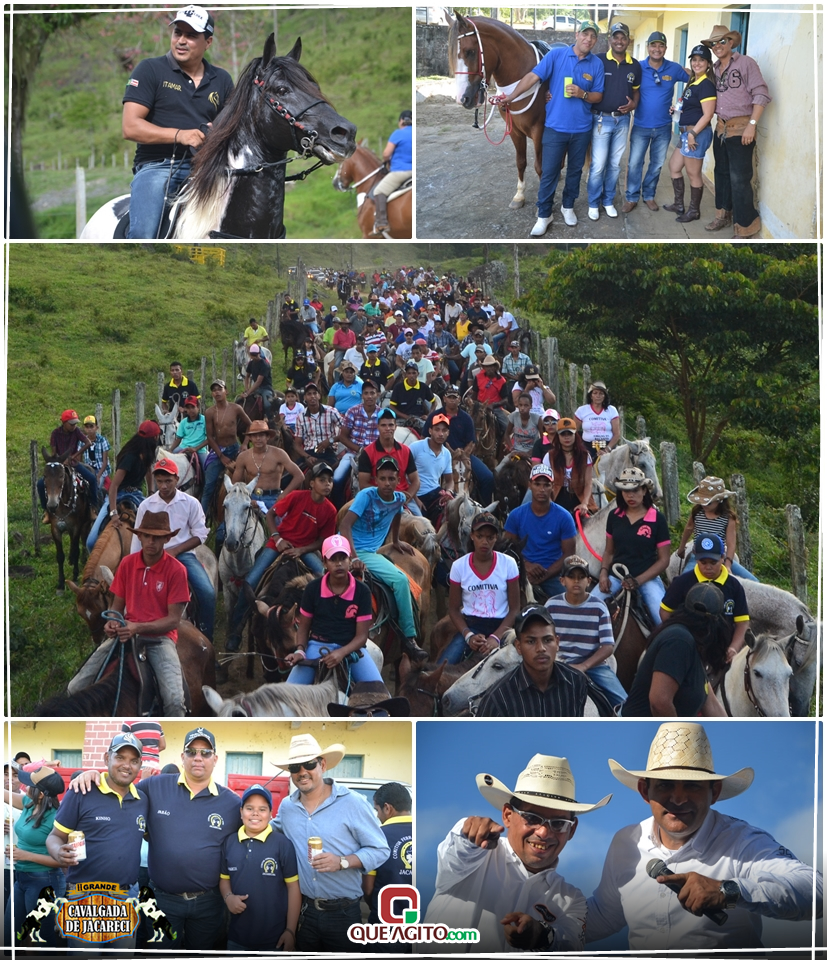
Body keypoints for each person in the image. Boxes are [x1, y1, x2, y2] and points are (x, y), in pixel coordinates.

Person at [587, 721, 822, 949]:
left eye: (692, 785)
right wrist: (562, 915)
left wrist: (729, 891)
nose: (678, 799)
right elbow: (605, 915)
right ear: (644, 791)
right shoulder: (626, 842)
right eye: (665, 785)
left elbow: (817, 890)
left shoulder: (742, 841)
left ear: (714, 792)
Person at [69, 727, 242, 950]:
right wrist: (94, 775)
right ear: (182, 757)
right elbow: (119, 788)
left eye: (205, 752)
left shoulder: (231, 803)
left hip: (208, 902)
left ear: (215, 759)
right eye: (191, 752)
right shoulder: (154, 787)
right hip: (163, 900)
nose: (198, 757)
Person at [423, 752, 609, 952]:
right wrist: (469, 833)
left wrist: (542, 935)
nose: (543, 832)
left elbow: (571, 945)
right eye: (532, 818)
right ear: (507, 815)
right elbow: (456, 853)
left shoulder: (572, 899)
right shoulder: (474, 852)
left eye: (558, 823)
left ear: (572, 830)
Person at [123, 5, 233, 239]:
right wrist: (180, 135)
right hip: (158, 167)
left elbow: (231, 129)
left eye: (191, 35)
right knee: (143, 235)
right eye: (178, 33)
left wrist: (219, 132)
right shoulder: (150, 69)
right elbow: (130, 127)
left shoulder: (222, 79)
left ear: (208, 42)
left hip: (208, 169)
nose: (181, 41)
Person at [271, 735, 389, 952]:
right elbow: (268, 830)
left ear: (322, 765)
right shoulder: (287, 807)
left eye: (309, 764)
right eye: (295, 767)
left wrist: (342, 862)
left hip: (343, 914)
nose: (302, 772)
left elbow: (380, 850)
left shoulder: (352, 803)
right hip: (305, 912)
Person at [69, 510, 190, 715]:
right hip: (125, 635)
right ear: (139, 536)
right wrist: (112, 622)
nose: (151, 542)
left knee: (175, 701)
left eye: (157, 537)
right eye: (147, 536)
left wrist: (137, 627)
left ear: (167, 539)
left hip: (160, 640)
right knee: (74, 688)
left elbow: (173, 621)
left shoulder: (177, 570)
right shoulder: (127, 564)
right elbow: (116, 607)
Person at [501, 20, 604, 235]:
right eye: (585, 34)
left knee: (574, 171)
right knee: (549, 173)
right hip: (555, 128)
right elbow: (533, 77)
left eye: (593, 36)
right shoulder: (556, 56)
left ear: (595, 40)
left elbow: (598, 96)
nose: (588, 39)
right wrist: (511, 96)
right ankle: (544, 214)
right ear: (577, 35)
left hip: (581, 129)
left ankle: (568, 207)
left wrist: (582, 94)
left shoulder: (596, 64)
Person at [226, 462, 336, 650]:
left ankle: (328, 626)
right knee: (250, 582)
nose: (327, 484)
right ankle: (236, 631)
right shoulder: (296, 496)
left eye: (330, 481)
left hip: (304, 549)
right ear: (311, 483)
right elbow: (271, 514)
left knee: (328, 582)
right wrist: (278, 539)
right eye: (322, 480)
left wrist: (302, 550)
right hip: (279, 544)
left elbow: (323, 540)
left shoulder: (330, 510)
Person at [339, 457, 428, 661]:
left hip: (371, 552)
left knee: (401, 580)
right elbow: (345, 526)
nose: (387, 483)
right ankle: (410, 637)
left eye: (391, 478)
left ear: (398, 481)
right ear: (376, 480)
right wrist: (354, 558)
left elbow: (397, 514)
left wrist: (395, 540)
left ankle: (408, 637)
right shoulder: (366, 496)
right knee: (400, 580)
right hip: (351, 549)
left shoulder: (399, 499)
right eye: (383, 478)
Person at [130, 456, 215, 641]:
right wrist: (135, 563)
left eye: (168, 481)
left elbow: (200, 534)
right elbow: (138, 539)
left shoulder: (190, 503)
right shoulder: (146, 505)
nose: (163, 486)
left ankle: (206, 638)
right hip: (151, 555)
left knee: (207, 592)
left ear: (177, 479)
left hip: (183, 555)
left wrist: (175, 551)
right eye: (159, 481)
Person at [283, 534, 383, 685]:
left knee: (380, 694)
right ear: (324, 562)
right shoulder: (312, 589)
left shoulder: (362, 591)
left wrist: (341, 652)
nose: (339, 564)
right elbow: (303, 627)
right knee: (289, 694)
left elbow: (362, 636)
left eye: (343, 558)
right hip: (317, 646)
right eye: (333, 559)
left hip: (352, 649)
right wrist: (300, 651)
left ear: (350, 560)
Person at [702, 24, 772, 238]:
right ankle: (722, 215)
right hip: (721, 129)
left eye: (722, 41)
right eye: (714, 43)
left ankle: (745, 226)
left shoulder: (746, 63)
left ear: (731, 42)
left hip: (741, 129)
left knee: (740, 180)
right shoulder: (714, 69)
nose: (717, 46)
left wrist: (752, 124)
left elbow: (761, 93)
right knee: (721, 174)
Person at [622, 581, 730, 717]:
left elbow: (712, 705)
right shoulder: (679, 640)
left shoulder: (694, 646)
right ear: (714, 624)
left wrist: (730, 729)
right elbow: (659, 702)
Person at [220, 785, 300, 953]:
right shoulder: (229, 842)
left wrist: (290, 930)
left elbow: (293, 888)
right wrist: (228, 897)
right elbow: (224, 879)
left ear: (271, 814)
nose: (255, 813)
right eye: (249, 808)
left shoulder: (282, 844)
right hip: (237, 937)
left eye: (262, 809)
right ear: (241, 812)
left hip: (274, 939)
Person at [477, 603, 589, 716]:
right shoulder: (498, 698)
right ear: (519, 647)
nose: (541, 648)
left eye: (547, 640)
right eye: (531, 641)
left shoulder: (576, 682)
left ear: (557, 643)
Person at [545, 555, 627, 709]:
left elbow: (608, 646)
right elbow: (544, 640)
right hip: (557, 663)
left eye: (581, 577)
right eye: (571, 577)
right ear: (562, 581)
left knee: (624, 702)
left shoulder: (599, 606)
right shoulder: (551, 605)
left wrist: (584, 666)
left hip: (594, 666)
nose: (576, 581)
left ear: (588, 581)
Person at [593, 466, 671, 625]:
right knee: (588, 609)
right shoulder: (614, 516)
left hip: (647, 578)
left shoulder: (658, 519)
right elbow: (609, 551)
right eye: (625, 490)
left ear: (644, 490)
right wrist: (603, 574)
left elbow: (664, 560)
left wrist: (639, 580)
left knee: (662, 620)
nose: (630, 495)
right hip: (616, 576)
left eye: (635, 490)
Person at [622, 32, 689, 214]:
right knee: (635, 163)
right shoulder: (638, 67)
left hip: (663, 127)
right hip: (641, 126)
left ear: (665, 48)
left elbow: (697, 79)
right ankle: (631, 197)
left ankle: (649, 195)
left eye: (661, 45)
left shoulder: (674, 68)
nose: (657, 49)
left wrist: (686, 104)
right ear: (648, 47)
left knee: (657, 164)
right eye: (653, 45)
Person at [440, 512, 520, 665]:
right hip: (472, 625)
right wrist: (468, 635)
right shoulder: (459, 566)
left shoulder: (508, 564)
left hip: (503, 627)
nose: (485, 542)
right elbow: (454, 609)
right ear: (472, 536)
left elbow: (515, 609)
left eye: (490, 537)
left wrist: (496, 637)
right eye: (480, 536)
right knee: (443, 666)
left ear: (496, 538)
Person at [662, 532, 751, 663]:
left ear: (722, 558)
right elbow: (665, 611)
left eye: (713, 562)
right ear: (696, 559)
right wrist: (680, 636)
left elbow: (742, 623)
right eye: (703, 562)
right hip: (689, 648)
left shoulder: (734, 586)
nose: (708, 567)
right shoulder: (682, 582)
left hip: (723, 651)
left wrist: (734, 647)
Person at [4, 764, 66, 948]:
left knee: (41, 939)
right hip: (21, 878)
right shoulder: (28, 803)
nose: (24, 786)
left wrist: (25, 855)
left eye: (30, 784)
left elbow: (62, 861)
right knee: (9, 933)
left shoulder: (57, 818)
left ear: (40, 794)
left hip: (45, 881)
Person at [587, 22, 641, 220]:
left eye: (623, 37)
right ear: (610, 39)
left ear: (628, 40)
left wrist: (633, 105)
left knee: (615, 164)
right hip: (601, 120)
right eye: (616, 37)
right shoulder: (599, 60)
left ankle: (608, 201)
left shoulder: (635, 65)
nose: (619, 41)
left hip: (623, 121)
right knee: (598, 164)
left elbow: (636, 91)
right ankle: (593, 203)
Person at [504, 464, 576, 601]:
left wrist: (546, 574)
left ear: (552, 486)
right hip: (520, 572)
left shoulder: (564, 517)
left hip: (553, 575)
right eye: (537, 484)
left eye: (546, 485)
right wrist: (526, 566)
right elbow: (507, 549)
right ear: (530, 485)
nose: (542, 489)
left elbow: (569, 554)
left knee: (569, 602)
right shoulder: (516, 515)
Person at [86, 419, 161, 551]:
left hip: (137, 495)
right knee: (91, 542)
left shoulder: (147, 454)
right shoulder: (130, 457)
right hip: (118, 494)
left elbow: (149, 470)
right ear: (154, 438)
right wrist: (114, 513)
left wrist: (151, 493)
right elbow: (114, 486)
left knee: (156, 530)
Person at [662, 45, 717, 223]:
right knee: (674, 166)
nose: (697, 63)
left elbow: (708, 114)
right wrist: (677, 109)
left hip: (696, 134)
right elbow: (692, 107)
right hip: (687, 134)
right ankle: (679, 205)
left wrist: (693, 133)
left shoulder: (706, 84)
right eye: (694, 60)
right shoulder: (694, 82)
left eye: (701, 60)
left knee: (694, 174)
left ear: (708, 64)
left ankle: (694, 211)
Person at [677, 476, 758, 580]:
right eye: (702, 501)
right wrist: (681, 547)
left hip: (719, 557)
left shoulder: (728, 517)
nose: (704, 505)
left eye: (708, 502)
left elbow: (731, 543)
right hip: (698, 556)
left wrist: (727, 564)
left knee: (753, 581)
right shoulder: (697, 512)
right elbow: (689, 528)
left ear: (719, 500)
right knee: (683, 581)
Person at [364, 783, 413, 951]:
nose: (377, 815)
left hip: (385, 930)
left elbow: (368, 888)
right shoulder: (427, 834)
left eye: (377, 810)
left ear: (387, 808)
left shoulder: (377, 838)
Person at [201, 379, 251, 519]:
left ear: (226, 391)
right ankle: (201, 519)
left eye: (220, 389)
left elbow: (250, 425)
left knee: (248, 478)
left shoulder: (236, 408)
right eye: (214, 390)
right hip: (219, 450)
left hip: (235, 449)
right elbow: (210, 437)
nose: (217, 392)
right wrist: (221, 456)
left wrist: (245, 444)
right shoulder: (210, 412)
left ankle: (251, 514)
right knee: (208, 486)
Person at [231, 420, 303, 512]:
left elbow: (299, 476)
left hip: (273, 498)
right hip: (251, 497)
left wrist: (283, 495)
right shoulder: (243, 457)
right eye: (254, 435)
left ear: (267, 437)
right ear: (250, 438)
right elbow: (235, 483)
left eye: (261, 435)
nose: (258, 438)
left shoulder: (279, 454)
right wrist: (244, 497)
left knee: (281, 520)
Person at [38, 408, 97, 519]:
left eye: (75, 423)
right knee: (40, 484)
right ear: (64, 423)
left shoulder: (76, 431)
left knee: (92, 479)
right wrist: (59, 461)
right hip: (58, 465)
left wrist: (73, 456)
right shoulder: (55, 433)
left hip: (73, 463)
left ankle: (92, 508)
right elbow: (54, 452)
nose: (74, 426)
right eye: (71, 424)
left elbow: (88, 443)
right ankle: (46, 511)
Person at [357, 408, 420, 508]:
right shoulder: (367, 453)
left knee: (419, 517)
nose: (387, 428)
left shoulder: (406, 451)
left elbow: (415, 480)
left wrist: (408, 496)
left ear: (395, 427)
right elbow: (363, 484)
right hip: (376, 499)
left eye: (390, 425)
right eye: (383, 425)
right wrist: (388, 495)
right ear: (378, 427)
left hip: (402, 498)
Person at [333, 379, 381, 507]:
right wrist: (360, 449)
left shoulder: (382, 414)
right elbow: (343, 437)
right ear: (362, 396)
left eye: (372, 393)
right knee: (337, 479)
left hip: (376, 455)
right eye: (366, 393)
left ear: (377, 395)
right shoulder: (352, 411)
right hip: (353, 454)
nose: (369, 396)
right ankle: (338, 509)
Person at [408, 414, 454, 522]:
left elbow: (450, 481)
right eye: (437, 430)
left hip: (435, 493)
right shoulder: (415, 447)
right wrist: (415, 498)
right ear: (430, 431)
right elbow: (402, 474)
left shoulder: (446, 454)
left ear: (448, 433)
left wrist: (449, 492)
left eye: (444, 430)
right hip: (416, 494)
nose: (440, 434)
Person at [373, 110, 413, 234]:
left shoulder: (398, 133)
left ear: (401, 121)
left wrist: (386, 161)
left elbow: (386, 153)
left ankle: (382, 223)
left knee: (378, 191)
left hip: (401, 172)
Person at [545, 418, 595, 514]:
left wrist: (585, 503)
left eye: (570, 434)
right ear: (558, 436)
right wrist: (550, 503)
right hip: (556, 499)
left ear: (575, 435)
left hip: (580, 499)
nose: (566, 437)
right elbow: (545, 482)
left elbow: (588, 483)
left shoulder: (585, 456)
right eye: (563, 434)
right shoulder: (549, 456)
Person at [573, 380, 620, 459]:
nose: (598, 396)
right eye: (595, 393)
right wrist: (580, 447)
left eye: (601, 393)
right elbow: (574, 431)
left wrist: (607, 449)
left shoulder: (612, 410)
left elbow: (617, 434)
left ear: (604, 396)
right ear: (591, 396)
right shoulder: (582, 410)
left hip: (608, 447)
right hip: (587, 448)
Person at [495, 393, 540, 475]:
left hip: (532, 453)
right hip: (516, 452)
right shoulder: (513, 416)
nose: (522, 408)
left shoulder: (537, 419)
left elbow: (543, 439)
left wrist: (531, 452)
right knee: (497, 470)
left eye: (526, 405)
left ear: (531, 406)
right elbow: (506, 434)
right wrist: (511, 449)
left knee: (536, 473)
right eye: (520, 405)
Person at [389, 361, 436, 431]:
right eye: (409, 373)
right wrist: (407, 417)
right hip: (401, 420)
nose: (411, 375)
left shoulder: (423, 387)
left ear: (418, 374)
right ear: (405, 374)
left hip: (419, 419)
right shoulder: (398, 387)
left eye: (414, 373)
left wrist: (428, 416)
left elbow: (434, 403)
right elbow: (392, 406)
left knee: (428, 432)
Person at [471, 356, 510, 434]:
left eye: (491, 366)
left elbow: (506, 399)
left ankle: (503, 441)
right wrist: (472, 404)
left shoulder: (501, 380)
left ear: (495, 367)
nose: (489, 369)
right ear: (484, 368)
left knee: (506, 427)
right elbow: (474, 393)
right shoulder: (478, 377)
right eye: (487, 366)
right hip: (480, 406)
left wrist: (493, 405)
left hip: (495, 408)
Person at [169, 395, 209, 470]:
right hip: (184, 447)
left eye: (193, 407)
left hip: (200, 449)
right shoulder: (183, 422)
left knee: (206, 468)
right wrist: (171, 450)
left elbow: (209, 439)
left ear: (198, 407)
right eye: (188, 408)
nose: (191, 410)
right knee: (170, 461)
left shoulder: (204, 420)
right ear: (185, 409)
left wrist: (196, 448)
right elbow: (178, 439)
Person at [80, 414, 111, 504]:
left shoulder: (102, 440)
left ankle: (97, 504)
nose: (89, 429)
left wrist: (98, 476)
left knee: (97, 486)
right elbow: (80, 459)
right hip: (88, 468)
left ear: (96, 427)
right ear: (84, 428)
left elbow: (105, 462)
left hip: (101, 470)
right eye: (87, 427)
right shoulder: (82, 441)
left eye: (91, 426)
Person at [240, 343, 275, 417]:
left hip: (266, 388)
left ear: (259, 353)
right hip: (256, 389)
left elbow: (258, 381)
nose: (254, 357)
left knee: (267, 405)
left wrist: (248, 393)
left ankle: (270, 419)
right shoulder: (251, 364)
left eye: (256, 355)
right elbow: (247, 376)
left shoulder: (265, 365)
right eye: (253, 355)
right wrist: (246, 389)